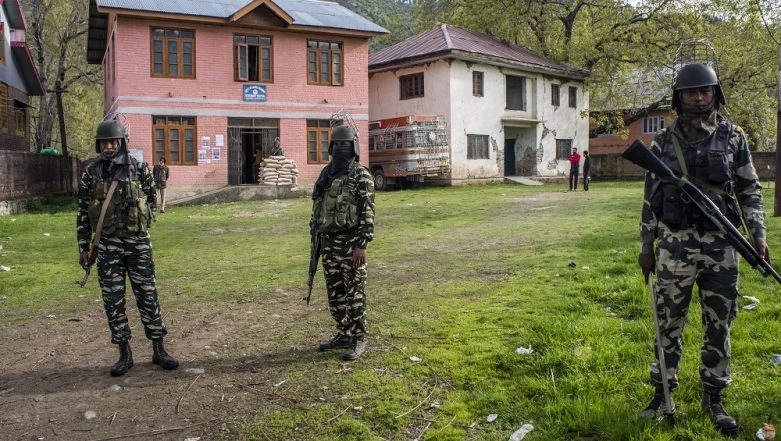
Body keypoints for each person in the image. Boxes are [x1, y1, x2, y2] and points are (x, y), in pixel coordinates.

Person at [636, 63, 769, 436]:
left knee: (720, 322)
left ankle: (714, 395)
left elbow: (749, 190)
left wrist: (758, 234)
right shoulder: (662, 142)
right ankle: (663, 394)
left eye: (705, 91)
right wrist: (646, 245)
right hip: (674, 245)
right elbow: (650, 198)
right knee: (667, 322)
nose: (698, 97)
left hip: (721, 246)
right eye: (691, 92)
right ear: (679, 98)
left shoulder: (733, 137)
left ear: (715, 94)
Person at [77, 119, 179, 377]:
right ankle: (124, 353)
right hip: (108, 246)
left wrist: (142, 226)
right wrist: (83, 247)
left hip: (137, 244)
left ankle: (159, 349)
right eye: (105, 142)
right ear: (99, 145)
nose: (110, 146)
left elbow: (151, 199)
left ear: (122, 143)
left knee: (148, 295)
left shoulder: (139, 168)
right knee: (113, 301)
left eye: (114, 141)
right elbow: (82, 213)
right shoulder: (91, 173)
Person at [311, 125, 375, 361]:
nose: (340, 148)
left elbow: (368, 213)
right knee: (335, 294)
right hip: (329, 245)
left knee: (354, 294)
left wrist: (362, 245)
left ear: (354, 147)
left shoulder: (361, 175)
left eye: (345, 144)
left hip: (351, 246)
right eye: (336, 144)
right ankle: (344, 333)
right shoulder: (326, 175)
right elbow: (317, 209)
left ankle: (359, 338)